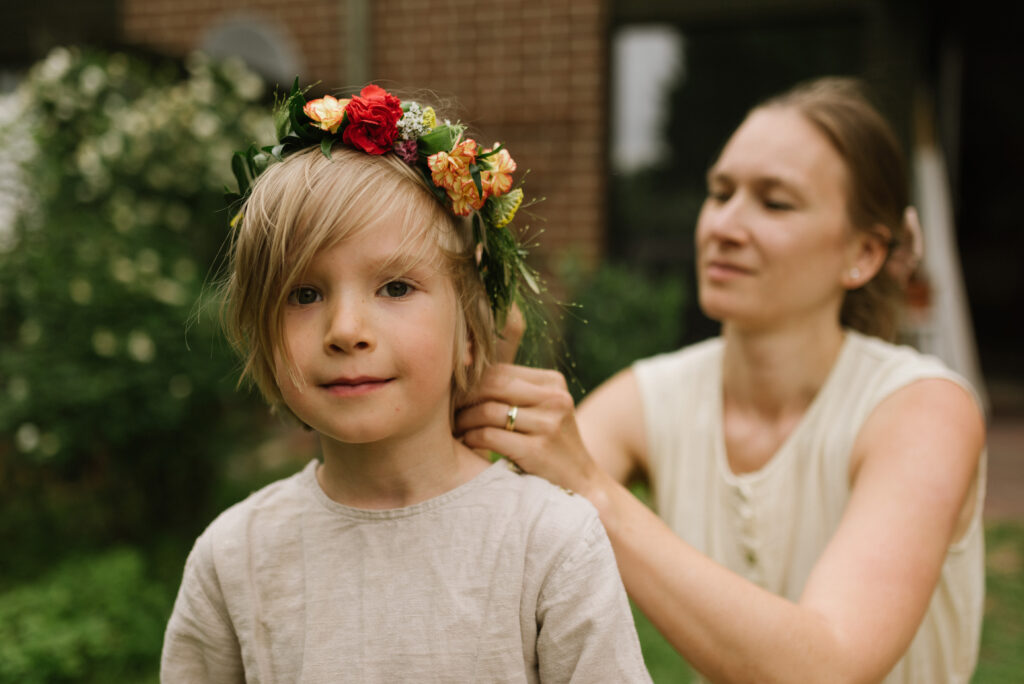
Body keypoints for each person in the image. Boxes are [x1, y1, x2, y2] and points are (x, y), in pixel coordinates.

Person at [457, 77, 986, 683]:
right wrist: (470, 376)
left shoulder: (923, 409)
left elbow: (830, 666)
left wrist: (591, 488)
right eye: (720, 192)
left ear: (863, 253)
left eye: (775, 202)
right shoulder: (655, 396)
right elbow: (485, 546)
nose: (724, 226)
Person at [160, 83, 652, 682]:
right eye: (304, 294)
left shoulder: (551, 545)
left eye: (395, 287)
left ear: (468, 318)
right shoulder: (234, 557)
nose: (346, 330)